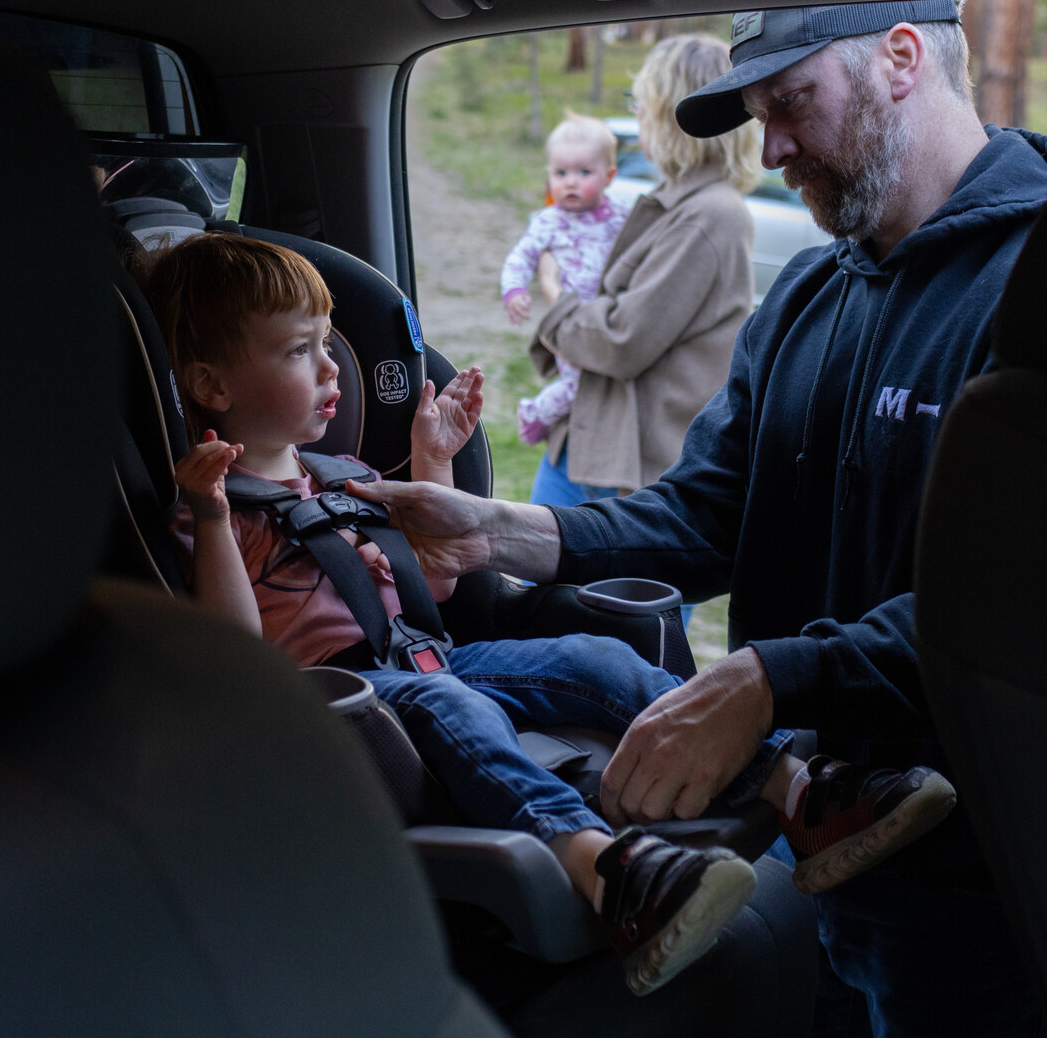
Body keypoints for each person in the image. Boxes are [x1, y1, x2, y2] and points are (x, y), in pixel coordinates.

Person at [349, 0, 1047, 1036]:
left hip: (983, 878)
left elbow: (1033, 600)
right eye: (757, 111)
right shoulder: (809, 297)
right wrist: (503, 531)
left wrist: (774, 675)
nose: (769, 145)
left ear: (903, 58)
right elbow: (707, 512)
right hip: (811, 843)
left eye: (790, 103)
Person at [135, 231, 952, 995]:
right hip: (346, 704)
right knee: (453, 703)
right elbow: (232, 657)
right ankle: (608, 870)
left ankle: (802, 790)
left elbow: (435, 587)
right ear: (213, 385)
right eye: (299, 351)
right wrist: (208, 513)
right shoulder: (214, 508)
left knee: (597, 659)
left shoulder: (339, 473)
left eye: (327, 343)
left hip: (428, 656)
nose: (332, 369)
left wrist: (433, 460)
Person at [526, 34, 760, 509]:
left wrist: (555, 293)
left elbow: (621, 340)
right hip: (592, 446)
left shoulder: (709, 215)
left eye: (644, 100)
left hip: (624, 470)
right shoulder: (678, 202)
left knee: (564, 583)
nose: (637, 114)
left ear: (674, 114)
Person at [499, 113, 628, 447]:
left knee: (603, 382)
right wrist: (513, 290)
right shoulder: (548, 223)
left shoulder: (621, 218)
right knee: (577, 384)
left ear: (609, 175)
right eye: (561, 173)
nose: (571, 181)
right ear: (549, 177)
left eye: (584, 172)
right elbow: (521, 257)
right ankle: (536, 413)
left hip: (607, 318)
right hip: (569, 323)